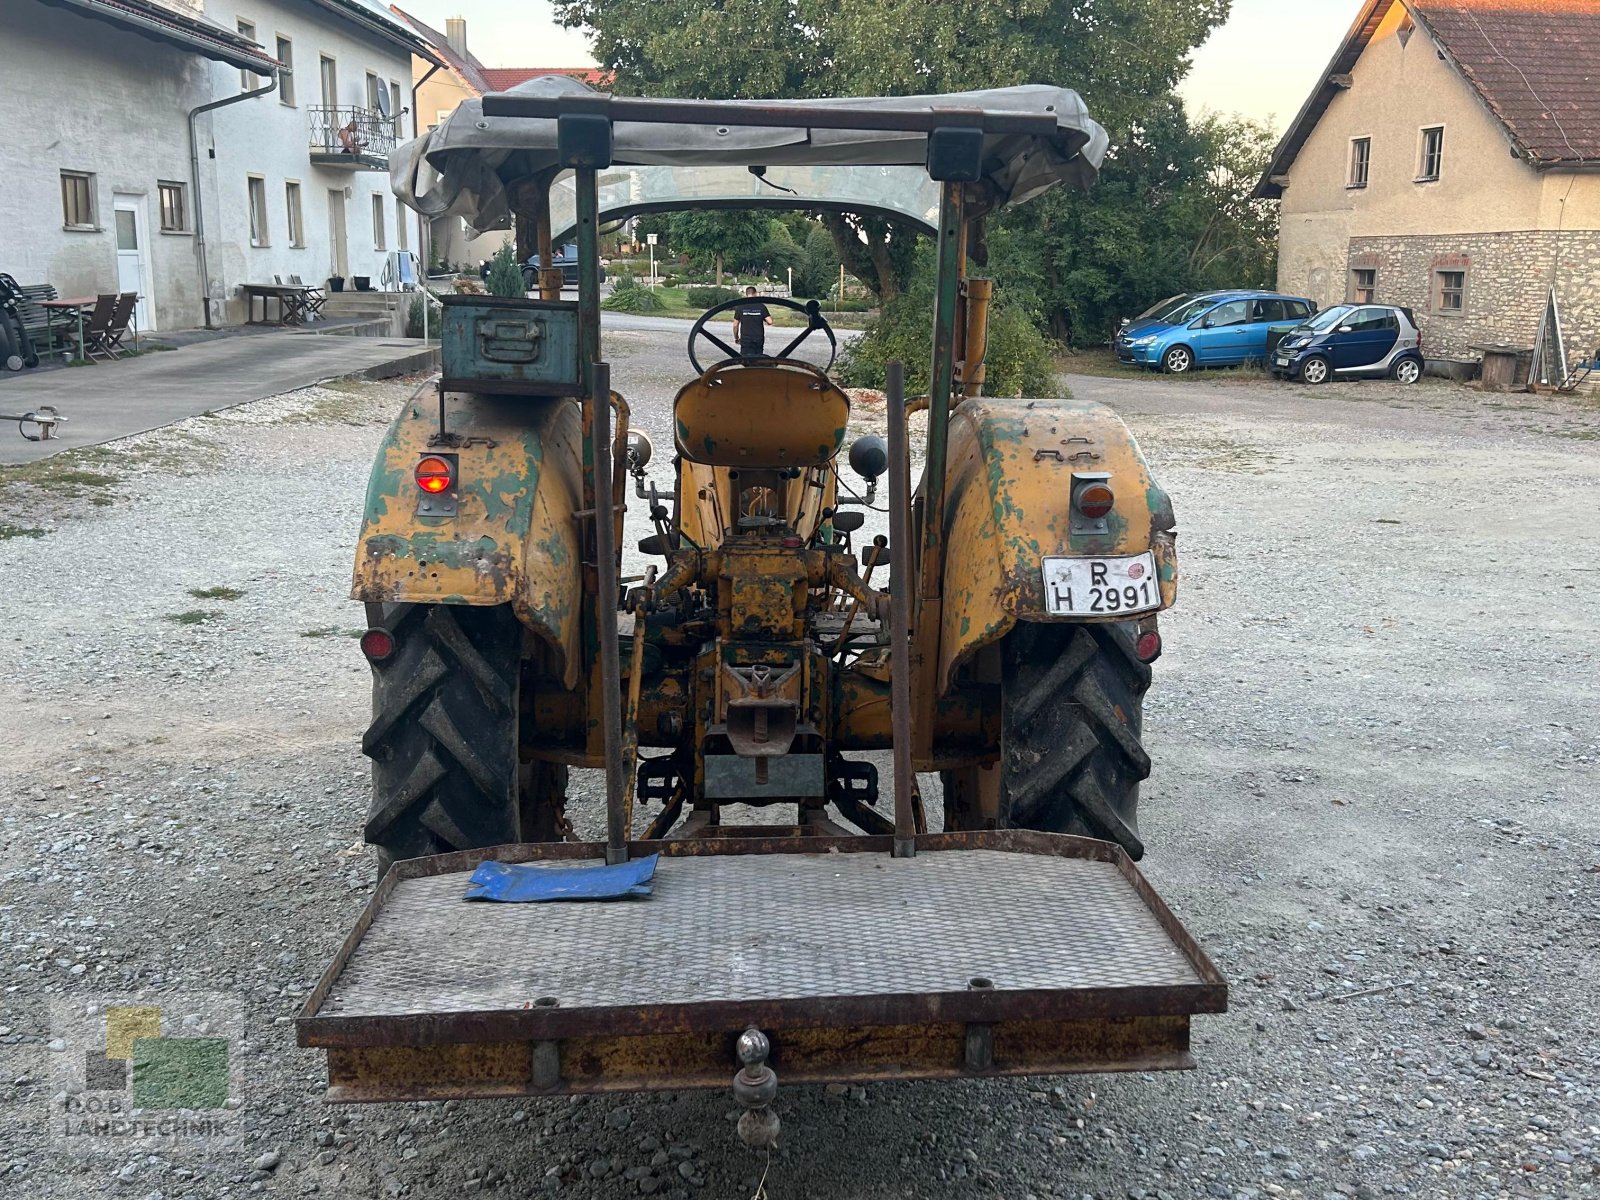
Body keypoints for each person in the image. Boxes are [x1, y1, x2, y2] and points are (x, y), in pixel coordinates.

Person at [731, 286, 772, 357]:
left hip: (745, 338)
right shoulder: (761, 306)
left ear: (746, 294)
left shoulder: (740, 307)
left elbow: (735, 325)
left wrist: (736, 337)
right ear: (755, 294)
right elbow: (770, 321)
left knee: (745, 359)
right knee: (758, 359)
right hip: (758, 338)